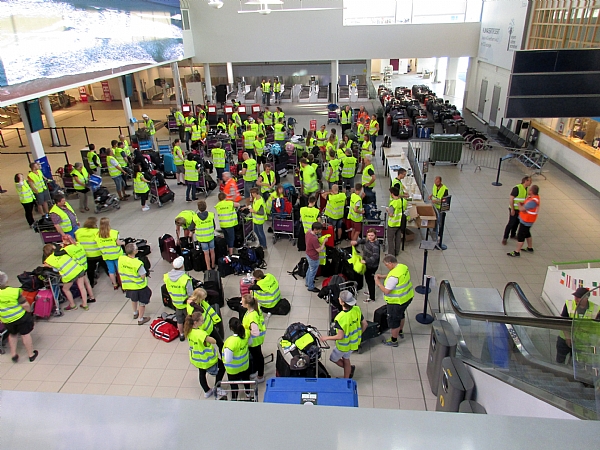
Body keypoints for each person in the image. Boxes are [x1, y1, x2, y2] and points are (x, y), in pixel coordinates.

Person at [320, 290, 367, 378]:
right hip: (354, 343)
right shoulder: (357, 309)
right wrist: (358, 334)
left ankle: (348, 369)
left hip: (343, 346)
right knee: (346, 358)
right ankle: (346, 378)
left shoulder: (340, 318)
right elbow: (365, 324)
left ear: (342, 302)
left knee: (333, 358)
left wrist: (326, 338)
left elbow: (340, 336)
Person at [184, 312, 226, 398]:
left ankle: (206, 390)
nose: (203, 322)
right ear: (195, 322)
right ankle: (217, 387)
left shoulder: (189, 331)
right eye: (201, 321)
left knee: (202, 373)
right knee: (222, 367)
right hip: (207, 358)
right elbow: (213, 341)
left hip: (197, 358)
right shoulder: (200, 333)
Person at [375, 255, 414, 346]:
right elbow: (394, 275)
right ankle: (400, 331)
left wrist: (378, 283)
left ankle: (394, 340)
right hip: (407, 298)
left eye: (386, 265)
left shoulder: (393, 277)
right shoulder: (402, 267)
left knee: (393, 320)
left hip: (396, 302)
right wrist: (383, 276)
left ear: (391, 263)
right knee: (401, 315)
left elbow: (386, 291)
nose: (386, 267)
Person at [0, 271, 38, 363]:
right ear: (7, 281)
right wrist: (29, 312)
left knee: (12, 334)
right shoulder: (14, 291)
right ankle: (31, 354)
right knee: (25, 335)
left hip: (7, 319)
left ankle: (13, 354)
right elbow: (25, 305)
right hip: (20, 317)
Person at [555, 287, 599, 364]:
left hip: (581, 343)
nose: (576, 299)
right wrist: (568, 337)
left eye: (579, 297)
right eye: (575, 296)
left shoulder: (596, 309)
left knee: (575, 364)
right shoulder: (569, 304)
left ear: (586, 298)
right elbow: (563, 321)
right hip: (565, 339)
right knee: (560, 360)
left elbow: (597, 328)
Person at [43, 243, 90, 311]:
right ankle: (85, 305)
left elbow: (56, 269)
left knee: (65, 289)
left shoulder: (49, 260)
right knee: (82, 287)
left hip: (69, 275)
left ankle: (72, 305)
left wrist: (48, 266)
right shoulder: (62, 251)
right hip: (78, 269)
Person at [118, 243, 151, 325]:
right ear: (135, 251)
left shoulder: (121, 259)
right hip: (139, 286)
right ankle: (141, 319)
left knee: (133, 299)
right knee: (142, 303)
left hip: (129, 286)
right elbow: (143, 276)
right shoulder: (138, 264)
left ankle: (135, 313)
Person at [165, 256, 194, 341]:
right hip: (185, 304)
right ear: (182, 266)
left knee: (179, 320)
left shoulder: (167, 276)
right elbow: (190, 293)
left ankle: (181, 334)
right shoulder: (185, 279)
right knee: (189, 319)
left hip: (176, 303)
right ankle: (191, 333)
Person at [223, 317, 252, 400]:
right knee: (246, 380)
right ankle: (248, 393)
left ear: (231, 328)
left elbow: (228, 359)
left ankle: (234, 397)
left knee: (234, 384)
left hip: (233, 369)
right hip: (245, 364)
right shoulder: (246, 333)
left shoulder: (230, 342)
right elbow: (250, 343)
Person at [61, 235, 96, 303]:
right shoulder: (78, 244)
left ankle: (84, 303)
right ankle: (92, 297)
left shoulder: (67, 249)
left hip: (79, 268)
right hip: (85, 265)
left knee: (81, 286)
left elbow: (58, 253)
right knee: (87, 283)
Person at [508, 185, 540, 257]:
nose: (528, 190)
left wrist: (519, 204)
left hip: (527, 221)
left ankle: (517, 252)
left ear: (531, 191)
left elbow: (522, 209)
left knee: (521, 236)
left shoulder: (533, 201)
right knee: (527, 233)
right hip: (527, 220)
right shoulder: (533, 198)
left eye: (529, 189)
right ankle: (530, 248)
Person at [241, 294, 266, 383]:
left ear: (247, 305)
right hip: (256, 340)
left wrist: (246, 333)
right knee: (258, 356)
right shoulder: (255, 308)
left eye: (242, 301)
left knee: (258, 357)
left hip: (254, 341)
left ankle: (260, 376)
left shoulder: (252, 317)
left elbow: (255, 332)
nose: (241, 302)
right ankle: (259, 372)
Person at [75, 217, 107, 288]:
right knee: (107, 268)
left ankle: (91, 283)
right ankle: (115, 281)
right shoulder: (96, 232)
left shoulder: (78, 231)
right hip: (98, 254)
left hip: (87, 255)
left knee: (90, 271)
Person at [351, 229, 381, 303]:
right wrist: (356, 242)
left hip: (371, 266)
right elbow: (363, 240)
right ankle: (370, 292)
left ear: (375, 235)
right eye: (369, 235)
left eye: (372, 235)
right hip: (367, 264)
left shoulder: (375, 246)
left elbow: (375, 256)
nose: (370, 237)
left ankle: (372, 297)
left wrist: (366, 261)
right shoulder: (368, 240)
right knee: (368, 279)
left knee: (370, 281)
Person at [95, 217, 124, 290]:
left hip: (106, 255)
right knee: (120, 271)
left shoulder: (97, 235)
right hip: (117, 255)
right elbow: (118, 243)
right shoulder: (114, 233)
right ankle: (123, 284)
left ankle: (115, 284)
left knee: (111, 271)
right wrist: (124, 243)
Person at [502, 176, 532, 245]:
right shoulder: (517, 188)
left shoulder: (527, 189)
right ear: (526, 181)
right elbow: (511, 199)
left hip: (521, 209)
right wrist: (512, 209)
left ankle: (513, 234)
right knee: (511, 223)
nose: (531, 182)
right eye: (530, 181)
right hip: (514, 209)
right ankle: (505, 237)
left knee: (517, 223)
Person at [387, 187, 408, 256]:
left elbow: (391, 214)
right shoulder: (403, 201)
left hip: (392, 224)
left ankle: (391, 253)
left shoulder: (393, 203)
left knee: (390, 239)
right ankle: (397, 252)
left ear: (392, 194)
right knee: (398, 238)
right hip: (400, 223)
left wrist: (388, 210)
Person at [305, 222, 325, 293]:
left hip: (308, 254)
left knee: (309, 269)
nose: (320, 231)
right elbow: (319, 250)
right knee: (312, 272)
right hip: (313, 257)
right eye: (319, 230)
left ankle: (307, 282)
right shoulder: (314, 239)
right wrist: (324, 242)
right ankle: (310, 286)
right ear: (315, 230)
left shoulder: (308, 232)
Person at [196, 200, 216, 270]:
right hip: (210, 236)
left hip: (202, 239)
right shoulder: (211, 215)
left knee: (206, 254)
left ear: (198, 208)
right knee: (212, 251)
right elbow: (214, 226)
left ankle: (208, 267)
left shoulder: (195, 217)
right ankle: (213, 265)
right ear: (206, 207)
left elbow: (191, 227)